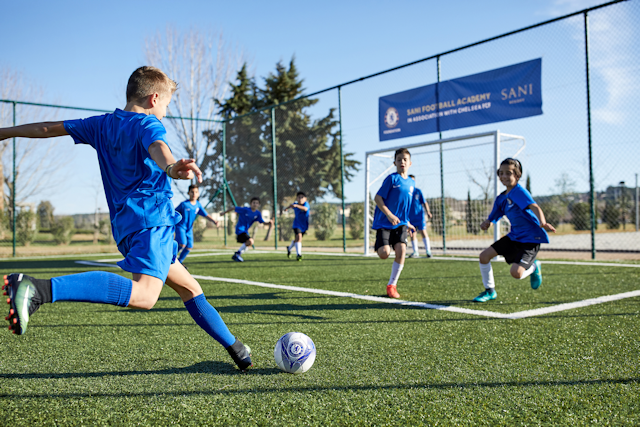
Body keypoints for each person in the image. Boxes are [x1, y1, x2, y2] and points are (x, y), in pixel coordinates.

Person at [0, 66, 252, 371]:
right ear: (154, 98)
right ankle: (38, 289)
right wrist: (172, 168)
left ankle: (236, 348)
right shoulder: (148, 124)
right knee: (145, 297)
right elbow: (159, 148)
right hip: (152, 222)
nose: (165, 113)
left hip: (127, 227)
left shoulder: (101, 125)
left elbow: (47, 129)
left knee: (189, 287)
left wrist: (5, 133)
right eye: (167, 106)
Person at [473, 158, 556, 302]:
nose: (504, 176)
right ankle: (490, 291)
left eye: (508, 173)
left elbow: (534, 207)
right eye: (501, 173)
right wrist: (487, 223)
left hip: (530, 239)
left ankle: (534, 267)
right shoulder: (501, 199)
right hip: (514, 237)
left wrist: (543, 223)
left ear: (517, 175)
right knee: (484, 256)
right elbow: (494, 216)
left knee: (516, 273)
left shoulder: (519, 192)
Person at [372, 148, 416, 299]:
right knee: (384, 254)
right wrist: (390, 215)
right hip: (385, 222)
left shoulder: (411, 183)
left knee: (402, 250)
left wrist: (408, 223)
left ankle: (392, 285)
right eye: (399, 159)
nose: (402, 162)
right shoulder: (392, 179)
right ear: (394, 163)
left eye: (405, 159)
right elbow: (377, 198)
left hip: (401, 224)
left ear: (410, 163)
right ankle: (379, 245)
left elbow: (404, 206)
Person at [175, 185, 219, 265]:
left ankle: (179, 263)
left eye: (196, 192)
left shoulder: (198, 205)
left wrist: (214, 221)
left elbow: (205, 214)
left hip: (189, 229)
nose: (194, 194)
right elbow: (174, 213)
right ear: (188, 193)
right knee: (182, 244)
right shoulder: (184, 204)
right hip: (181, 227)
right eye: (192, 192)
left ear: (198, 194)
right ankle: (170, 257)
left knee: (189, 246)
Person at [220, 197, 274, 262]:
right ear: (250, 203)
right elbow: (233, 208)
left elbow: (262, 222)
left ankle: (237, 255)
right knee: (251, 241)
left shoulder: (257, 213)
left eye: (257, 203)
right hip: (240, 229)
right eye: (253, 202)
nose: (255, 204)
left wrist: (269, 223)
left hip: (245, 231)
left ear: (259, 205)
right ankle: (237, 254)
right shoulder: (245, 209)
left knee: (248, 244)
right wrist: (224, 213)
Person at [407, 174, 433, 258]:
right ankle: (415, 252)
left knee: (423, 232)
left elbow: (424, 202)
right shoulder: (406, 191)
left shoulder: (418, 191)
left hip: (419, 216)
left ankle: (428, 251)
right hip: (410, 217)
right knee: (413, 234)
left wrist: (428, 211)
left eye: (413, 180)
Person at [284, 192, 310, 261]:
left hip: (304, 226)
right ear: (296, 198)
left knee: (297, 240)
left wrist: (296, 206)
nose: (300, 199)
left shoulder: (306, 204)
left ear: (305, 199)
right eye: (299, 197)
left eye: (302, 197)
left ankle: (289, 248)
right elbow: (290, 206)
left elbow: (305, 209)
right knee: (299, 237)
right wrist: (286, 208)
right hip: (296, 224)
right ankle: (299, 254)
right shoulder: (295, 204)